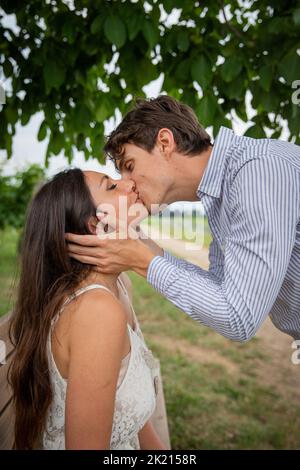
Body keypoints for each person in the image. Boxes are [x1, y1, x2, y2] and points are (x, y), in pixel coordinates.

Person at [66, 95, 300, 343]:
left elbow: (238, 317)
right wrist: (154, 254)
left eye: (130, 166)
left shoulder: (256, 172)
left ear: (165, 143)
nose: (126, 184)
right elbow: (221, 289)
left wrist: (144, 262)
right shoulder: (222, 193)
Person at [9, 168, 169, 450]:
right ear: (96, 225)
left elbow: (126, 408)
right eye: (111, 186)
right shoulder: (97, 312)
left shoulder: (118, 287)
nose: (129, 182)